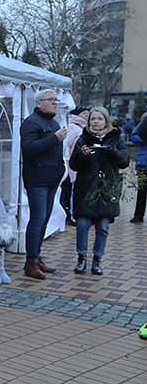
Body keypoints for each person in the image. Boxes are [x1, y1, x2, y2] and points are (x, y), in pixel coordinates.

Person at [68, 106, 129, 275]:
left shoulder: (116, 138)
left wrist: (111, 150)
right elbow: (73, 164)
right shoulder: (83, 139)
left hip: (106, 189)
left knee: (103, 227)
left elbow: (124, 162)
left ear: (106, 121)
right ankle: (81, 258)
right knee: (82, 224)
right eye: (93, 119)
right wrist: (81, 154)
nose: (96, 122)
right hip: (86, 189)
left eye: (99, 119)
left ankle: (97, 259)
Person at [19, 89, 66, 279]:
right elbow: (29, 148)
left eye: (56, 99)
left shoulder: (52, 122)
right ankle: (31, 261)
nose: (55, 102)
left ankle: (36, 257)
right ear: (39, 103)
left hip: (52, 178)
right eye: (51, 99)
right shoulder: (31, 123)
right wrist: (54, 138)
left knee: (44, 219)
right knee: (37, 219)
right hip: (37, 178)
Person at [61, 107, 89, 224]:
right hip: (72, 163)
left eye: (88, 113)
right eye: (84, 113)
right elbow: (67, 145)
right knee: (72, 190)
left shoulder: (84, 128)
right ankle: (72, 215)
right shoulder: (73, 127)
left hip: (80, 163)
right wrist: (67, 160)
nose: (87, 115)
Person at [131, 114, 147, 224]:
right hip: (144, 162)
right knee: (142, 190)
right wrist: (143, 138)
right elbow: (133, 137)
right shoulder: (144, 122)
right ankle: (138, 215)